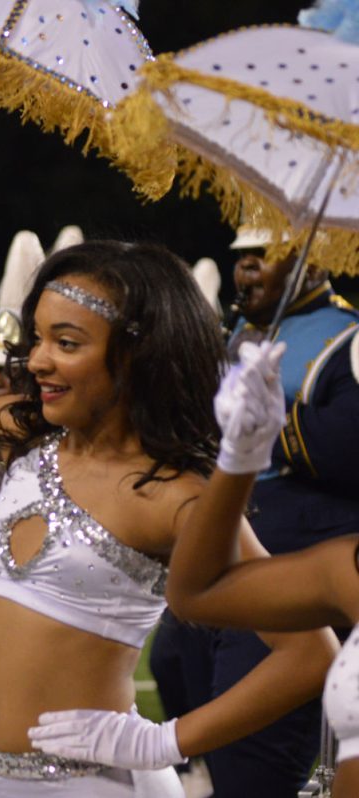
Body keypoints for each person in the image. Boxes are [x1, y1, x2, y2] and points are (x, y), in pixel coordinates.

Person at [0, 170, 338, 797]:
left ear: (136, 354)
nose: (37, 360)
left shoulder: (174, 492)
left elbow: (309, 653)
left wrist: (168, 740)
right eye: (38, 338)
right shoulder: (28, 433)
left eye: (67, 341)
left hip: (100, 784)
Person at [149, 227, 359, 797]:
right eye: (241, 259)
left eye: (261, 257)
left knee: (252, 751)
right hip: (223, 546)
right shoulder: (236, 332)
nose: (245, 271)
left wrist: (269, 425)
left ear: (313, 261)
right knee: (175, 662)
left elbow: (348, 446)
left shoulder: (348, 337)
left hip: (297, 556)